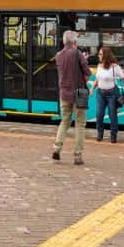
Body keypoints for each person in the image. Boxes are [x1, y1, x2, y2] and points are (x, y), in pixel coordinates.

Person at [52, 30, 92, 165]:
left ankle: (57, 148)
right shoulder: (77, 53)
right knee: (80, 124)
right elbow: (88, 73)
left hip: (64, 93)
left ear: (64, 41)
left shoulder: (58, 55)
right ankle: (77, 155)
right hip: (80, 93)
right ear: (74, 42)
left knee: (65, 121)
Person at [92, 45, 122, 143]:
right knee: (99, 114)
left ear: (106, 55)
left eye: (100, 54)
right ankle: (100, 134)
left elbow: (123, 77)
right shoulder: (99, 66)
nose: (99, 56)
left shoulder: (115, 67)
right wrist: (92, 88)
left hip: (112, 94)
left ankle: (113, 136)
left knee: (112, 115)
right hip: (100, 93)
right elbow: (97, 79)